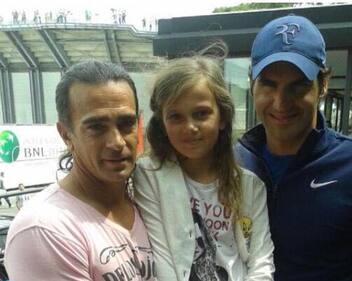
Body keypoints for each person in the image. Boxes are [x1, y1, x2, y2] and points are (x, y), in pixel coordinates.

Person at [234, 15, 352, 281]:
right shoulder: (227, 164)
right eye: (269, 84)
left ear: (323, 85)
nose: (281, 103)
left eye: (298, 86)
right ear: (252, 83)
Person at [5, 60, 156, 281]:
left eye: (126, 124)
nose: (117, 142)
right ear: (66, 134)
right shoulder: (44, 229)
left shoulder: (146, 200)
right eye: (96, 127)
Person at [134, 50, 274, 281]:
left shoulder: (250, 185)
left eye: (201, 114)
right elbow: (162, 260)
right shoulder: (149, 176)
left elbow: (260, 259)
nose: (190, 127)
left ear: (222, 118)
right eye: (176, 117)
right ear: (163, 123)